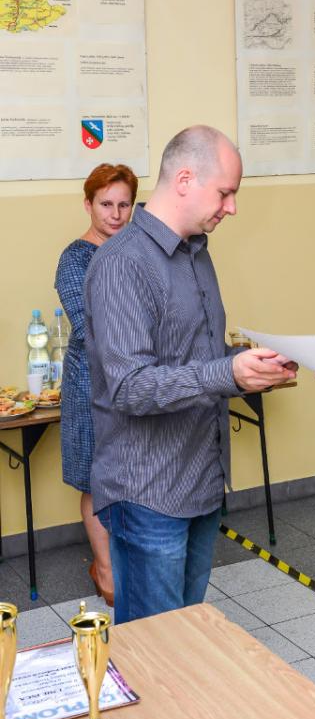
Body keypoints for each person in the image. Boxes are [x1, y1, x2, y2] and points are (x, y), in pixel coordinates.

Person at [84, 125, 296, 626]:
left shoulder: (196, 251)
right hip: (148, 492)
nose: (232, 207)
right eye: (225, 193)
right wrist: (227, 373)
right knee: (155, 645)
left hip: (201, 479)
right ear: (184, 179)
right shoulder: (121, 264)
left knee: (187, 638)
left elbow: (195, 355)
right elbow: (130, 386)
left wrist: (250, 364)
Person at [55, 163, 138, 607]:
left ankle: (128, 562)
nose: (116, 214)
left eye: (124, 204)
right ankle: (104, 567)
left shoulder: (138, 250)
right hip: (91, 385)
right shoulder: (75, 258)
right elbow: (89, 328)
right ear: (88, 204)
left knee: (133, 474)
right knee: (95, 478)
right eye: (106, 204)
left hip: (137, 382)